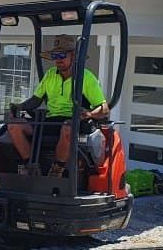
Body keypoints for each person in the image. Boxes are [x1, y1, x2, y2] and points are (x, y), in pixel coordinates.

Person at [7, 34, 110, 177]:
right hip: (49, 121)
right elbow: (35, 101)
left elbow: (104, 109)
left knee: (68, 127)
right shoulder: (50, 75)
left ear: (73, 56)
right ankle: (31, 167)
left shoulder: (86, 77)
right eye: (55, 55)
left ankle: (57, 170)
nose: (58, 59)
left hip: (74, 122)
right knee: (13, 126)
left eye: (62, 54)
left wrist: (89, 114)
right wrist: (17, 107)